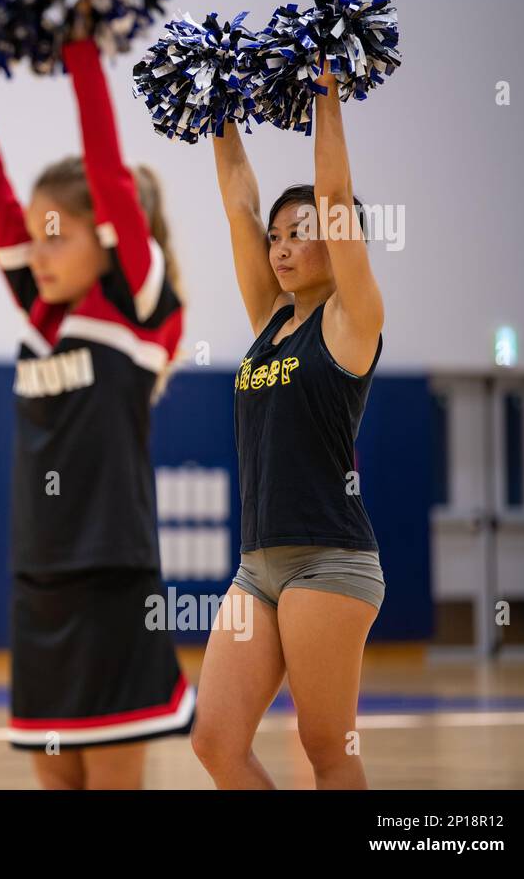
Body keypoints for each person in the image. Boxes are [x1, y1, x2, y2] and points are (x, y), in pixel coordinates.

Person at [0, 26, 194, 790]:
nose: (38, 252)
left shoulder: (141, 309)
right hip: (38, 584)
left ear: (113, 238)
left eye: (58, 235)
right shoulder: (45, 319)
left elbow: (110, 176)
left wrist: (81, 45)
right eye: (36, 237)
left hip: (112, 583)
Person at [192, 71, 385, 789]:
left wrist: (326, 94)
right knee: (215, 740)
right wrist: (216, 112)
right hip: (257, 565)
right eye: (277, 237)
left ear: (338, 242)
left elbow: (333, 198)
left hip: (330, 561)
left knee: (326, 747)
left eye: (299, 235)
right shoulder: (271, 321)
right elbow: (239, 204)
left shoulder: (350, 320)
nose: (279, 247)